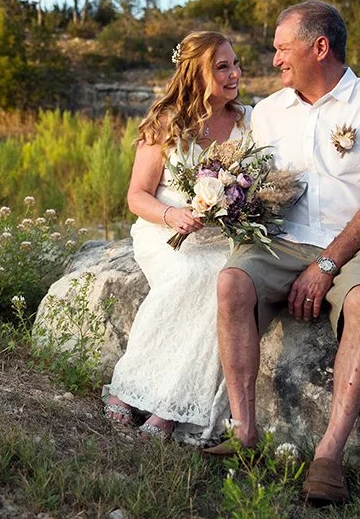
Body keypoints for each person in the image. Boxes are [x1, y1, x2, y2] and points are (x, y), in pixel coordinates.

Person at [212, 0, 360, 505]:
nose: (275, 59)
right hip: (283, 240)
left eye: (284, 49)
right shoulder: (266, 113)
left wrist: (327, 265)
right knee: (231, 282)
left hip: (359, 241)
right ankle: (244, 433)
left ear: (319, 47)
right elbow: (222, 144)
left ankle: (329, 454)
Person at [102, 30, 246, 444]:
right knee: (189, 276)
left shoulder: (249, 119)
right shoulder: (165, 123)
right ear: (196, 72)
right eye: (223, 67)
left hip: (221, 238)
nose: (235, 73)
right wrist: (173, 215)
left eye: (236, 64)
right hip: (163, 232)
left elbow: (301, 108)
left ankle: (168, 408)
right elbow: (136, 196)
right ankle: (127, 387)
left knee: (226, 279)